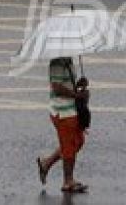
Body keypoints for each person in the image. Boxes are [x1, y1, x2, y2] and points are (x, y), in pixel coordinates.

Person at [37, 56, 90, 193]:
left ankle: (46, 163)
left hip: (70, 109)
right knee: (69, 146)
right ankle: (68, 181)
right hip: (62, 111)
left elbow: (66, 84)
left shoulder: (68, 60)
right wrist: (77, 95)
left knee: (77, 142)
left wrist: (79, 84)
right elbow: (57, 88)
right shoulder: (56, 63)